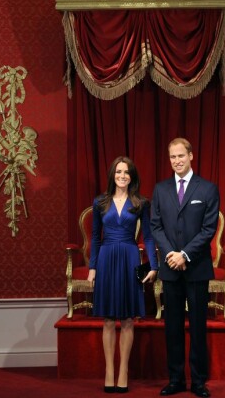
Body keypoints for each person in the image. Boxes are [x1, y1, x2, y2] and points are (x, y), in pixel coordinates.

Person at [150, 138, 219, 398]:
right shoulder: (160, 189)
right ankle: (176, 379)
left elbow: (208, 230)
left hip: (197, 268)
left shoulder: (208, 189)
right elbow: (155, 226)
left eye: (180, 156)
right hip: (170, 268)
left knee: (198, 327)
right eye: (172, 157)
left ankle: (199, 382)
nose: (176, 161)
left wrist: (185, 255)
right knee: (173, 327)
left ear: (191, 155)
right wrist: (170, 254)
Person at [87, 156, 158, 394]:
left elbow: (147, 237)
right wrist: (92, 268)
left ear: (132, 176)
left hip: (129, 257)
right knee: (108, 319)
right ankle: (109, 371)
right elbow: (96, 237)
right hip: (106, 258)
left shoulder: (140, 203)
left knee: (128, 318)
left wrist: (154, 266)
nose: (122, 176)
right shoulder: (100, 202)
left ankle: (123, 371)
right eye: (118, 172)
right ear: (112, 175)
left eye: (126, 172)